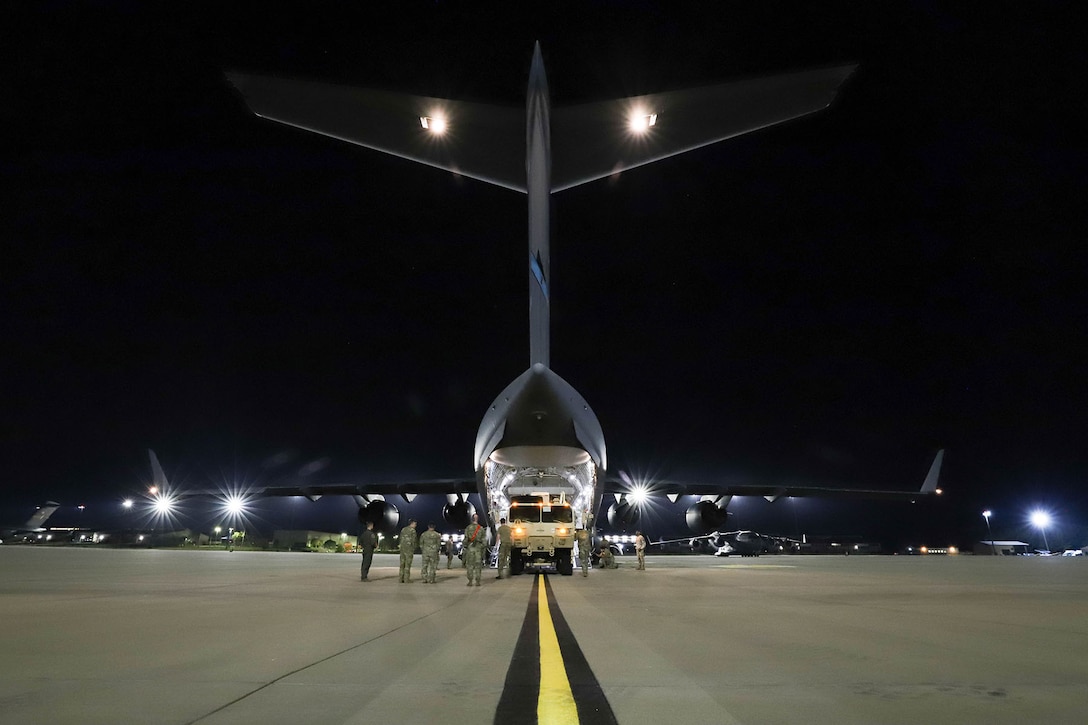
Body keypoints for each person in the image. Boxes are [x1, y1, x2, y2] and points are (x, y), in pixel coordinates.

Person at [463, 514, 486, 586]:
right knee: (478, 566)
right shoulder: (481, 528)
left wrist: (466, 546)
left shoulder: (468, 528)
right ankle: (478, 581)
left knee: (470, 565)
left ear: (472, 519)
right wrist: (482, 548)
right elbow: (484, 541)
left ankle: (470, 581)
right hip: (478, 549)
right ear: (477, 519)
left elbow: (465, 540)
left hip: (470, 548)